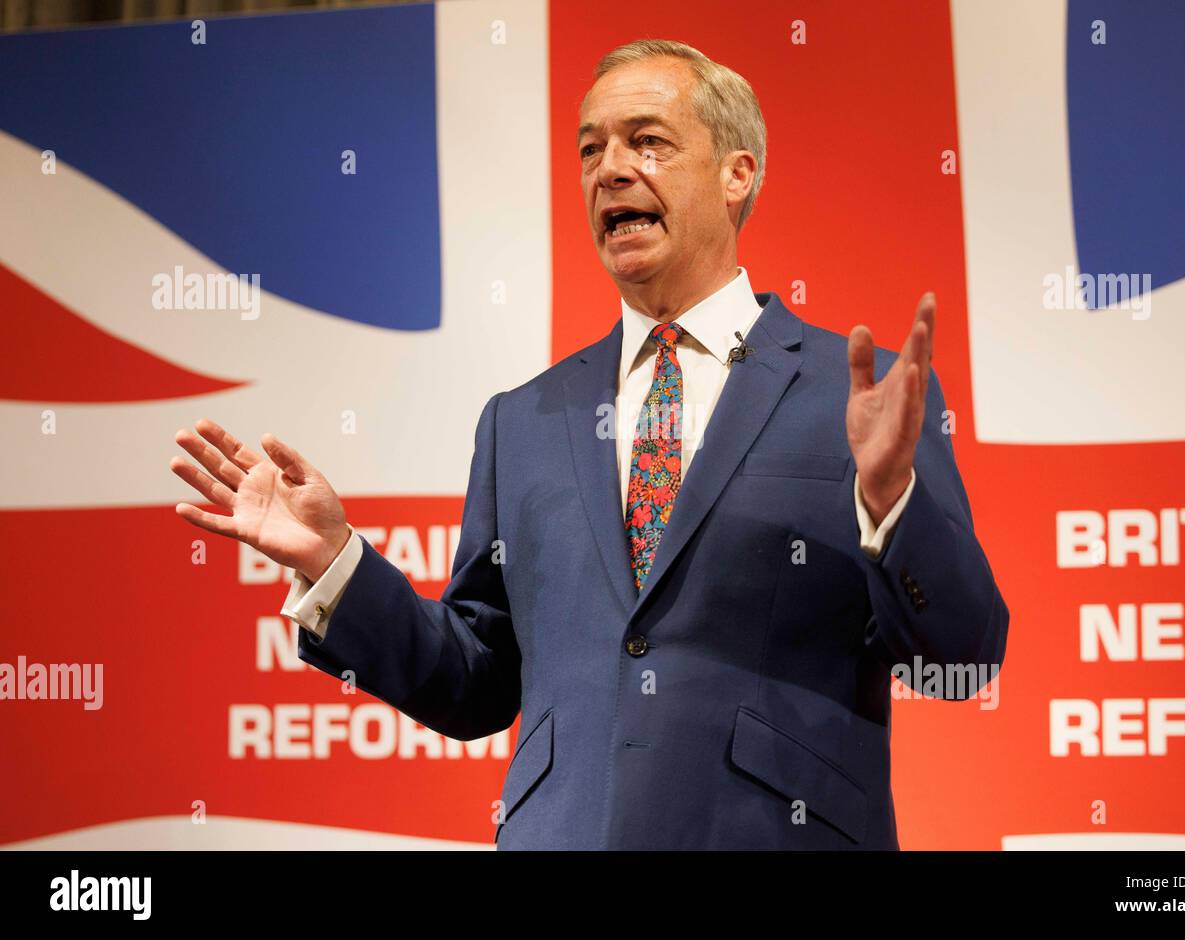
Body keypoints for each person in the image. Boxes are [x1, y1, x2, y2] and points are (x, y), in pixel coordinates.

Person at [170, 39, 1009, 850]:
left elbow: (963, 662)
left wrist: (891, 501)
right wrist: (334, 567)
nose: (610, 169)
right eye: (590, 150)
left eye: (647, 141)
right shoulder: (522, 420)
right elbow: (477, 684)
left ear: (737, 173)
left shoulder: (858, 394)